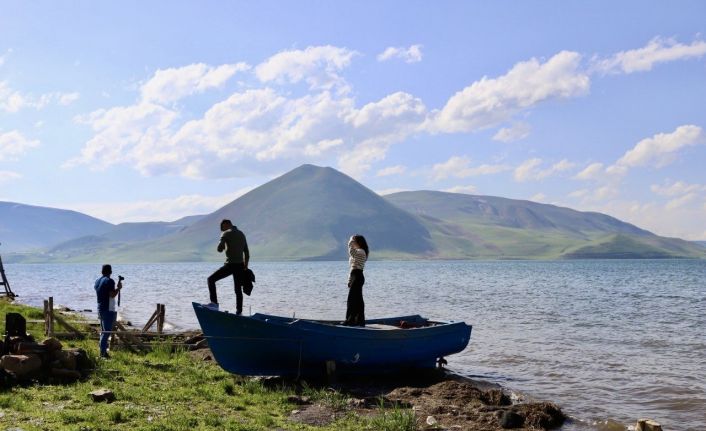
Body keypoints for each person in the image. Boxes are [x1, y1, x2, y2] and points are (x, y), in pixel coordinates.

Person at [206, 219, 249, 314]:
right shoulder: (242, 234)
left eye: (223, 228)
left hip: (230, 265)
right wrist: (245, 266)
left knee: (211, 279)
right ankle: (239, 311)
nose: (223, 230)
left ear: (227, 224)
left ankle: (214, 304)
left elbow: (219, 249)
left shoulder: (226, 233)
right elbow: (246, 252)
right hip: (240, 265)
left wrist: (222, 245)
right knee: (238, 289)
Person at [94, 264, 122, 359]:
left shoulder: (97, 281)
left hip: (100, 308)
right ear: (110, 272)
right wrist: (118, 288)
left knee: (103, 331)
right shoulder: (110, 281)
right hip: (108, 309)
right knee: (107, 332)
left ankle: (103, 351)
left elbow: (106, 293)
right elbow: (112, 294)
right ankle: (102, 353)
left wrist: (116, 289)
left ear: (101, 271)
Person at [344, 234, 369, 326]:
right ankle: (358, 321)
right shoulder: (359, 251)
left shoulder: (361, 251)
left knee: (352, 299)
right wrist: (350, 280)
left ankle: (350, 321)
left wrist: (350, 241)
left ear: (358, 242)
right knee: (357, 300)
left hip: (358, 276)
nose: (353, 243)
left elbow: (352, 252)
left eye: (354, 241)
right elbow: (352, 268)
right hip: (355, 276)